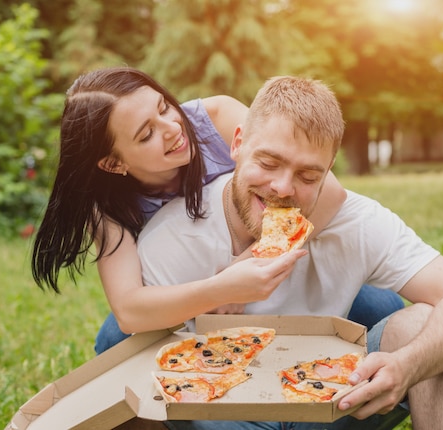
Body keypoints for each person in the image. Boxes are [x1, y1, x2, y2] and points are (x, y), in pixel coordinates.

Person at [136, 76, 443, 429]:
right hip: (223, 411)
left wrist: (408, 366)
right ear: (238, 143)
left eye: (308, 176)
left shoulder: (357, 221)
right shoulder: (169, 238)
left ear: (328, 174)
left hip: (336, 400)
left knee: (423, 330)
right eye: (268, 163)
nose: (282, 187)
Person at [30, 67, 404, 354]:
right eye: (146, 134)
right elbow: (130, 308)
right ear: (113, 163)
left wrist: (248, 267)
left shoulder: (217, 119)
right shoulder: (107, 207)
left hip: (275, 262)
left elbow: (330, 194)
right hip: (187, 298)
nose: (173, 127)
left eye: (163, 106)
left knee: (381, 304)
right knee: (115, 338)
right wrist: (217, 290)